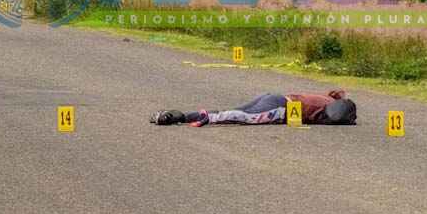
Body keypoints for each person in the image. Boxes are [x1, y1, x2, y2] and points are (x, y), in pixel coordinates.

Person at [151, 89, 356, 127]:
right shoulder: (331, 106)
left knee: (237, 112)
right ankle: (208, 119)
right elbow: (337, 116)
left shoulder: (323, 98)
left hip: (273, 97)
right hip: (280, 106)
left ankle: (178, 116)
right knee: (244, 118)